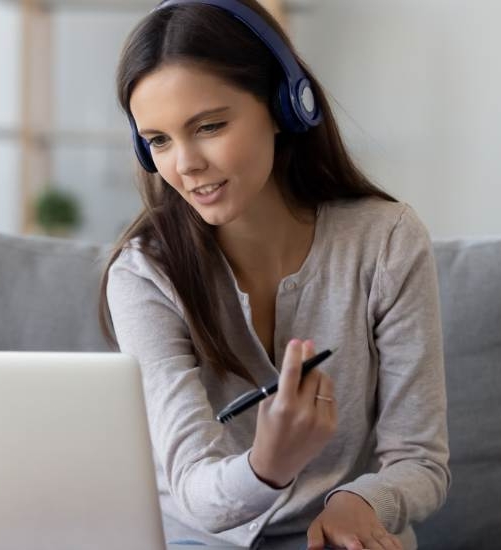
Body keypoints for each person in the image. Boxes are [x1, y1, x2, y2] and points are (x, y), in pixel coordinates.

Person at [98, 1, 450, 548]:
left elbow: (420, 460)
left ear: (287, 107)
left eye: (209, 126)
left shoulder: (386, 241)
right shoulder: (145, 274)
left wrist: (361, 500)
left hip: (341, 535)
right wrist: (268, 463)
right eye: (159, 141)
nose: (185, 164)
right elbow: (193, 490)